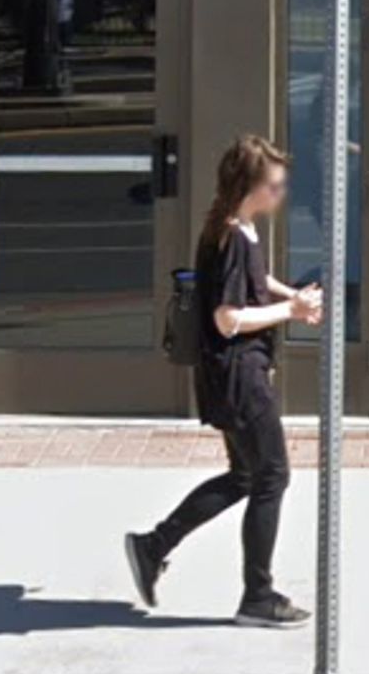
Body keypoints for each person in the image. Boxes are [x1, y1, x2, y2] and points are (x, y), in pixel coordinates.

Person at [125, 136, 322, 628]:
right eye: (274, 185)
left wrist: (291, 294)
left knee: (244, 477)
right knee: (271, 477)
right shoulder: (233, 235)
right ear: (251, 187)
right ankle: (258, 596)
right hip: (240, 378)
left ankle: (154, 546)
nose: (281, 192)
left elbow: (256, 280)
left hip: (229, 377)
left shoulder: (234, 229)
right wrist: (292, 311)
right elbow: (227, 317)